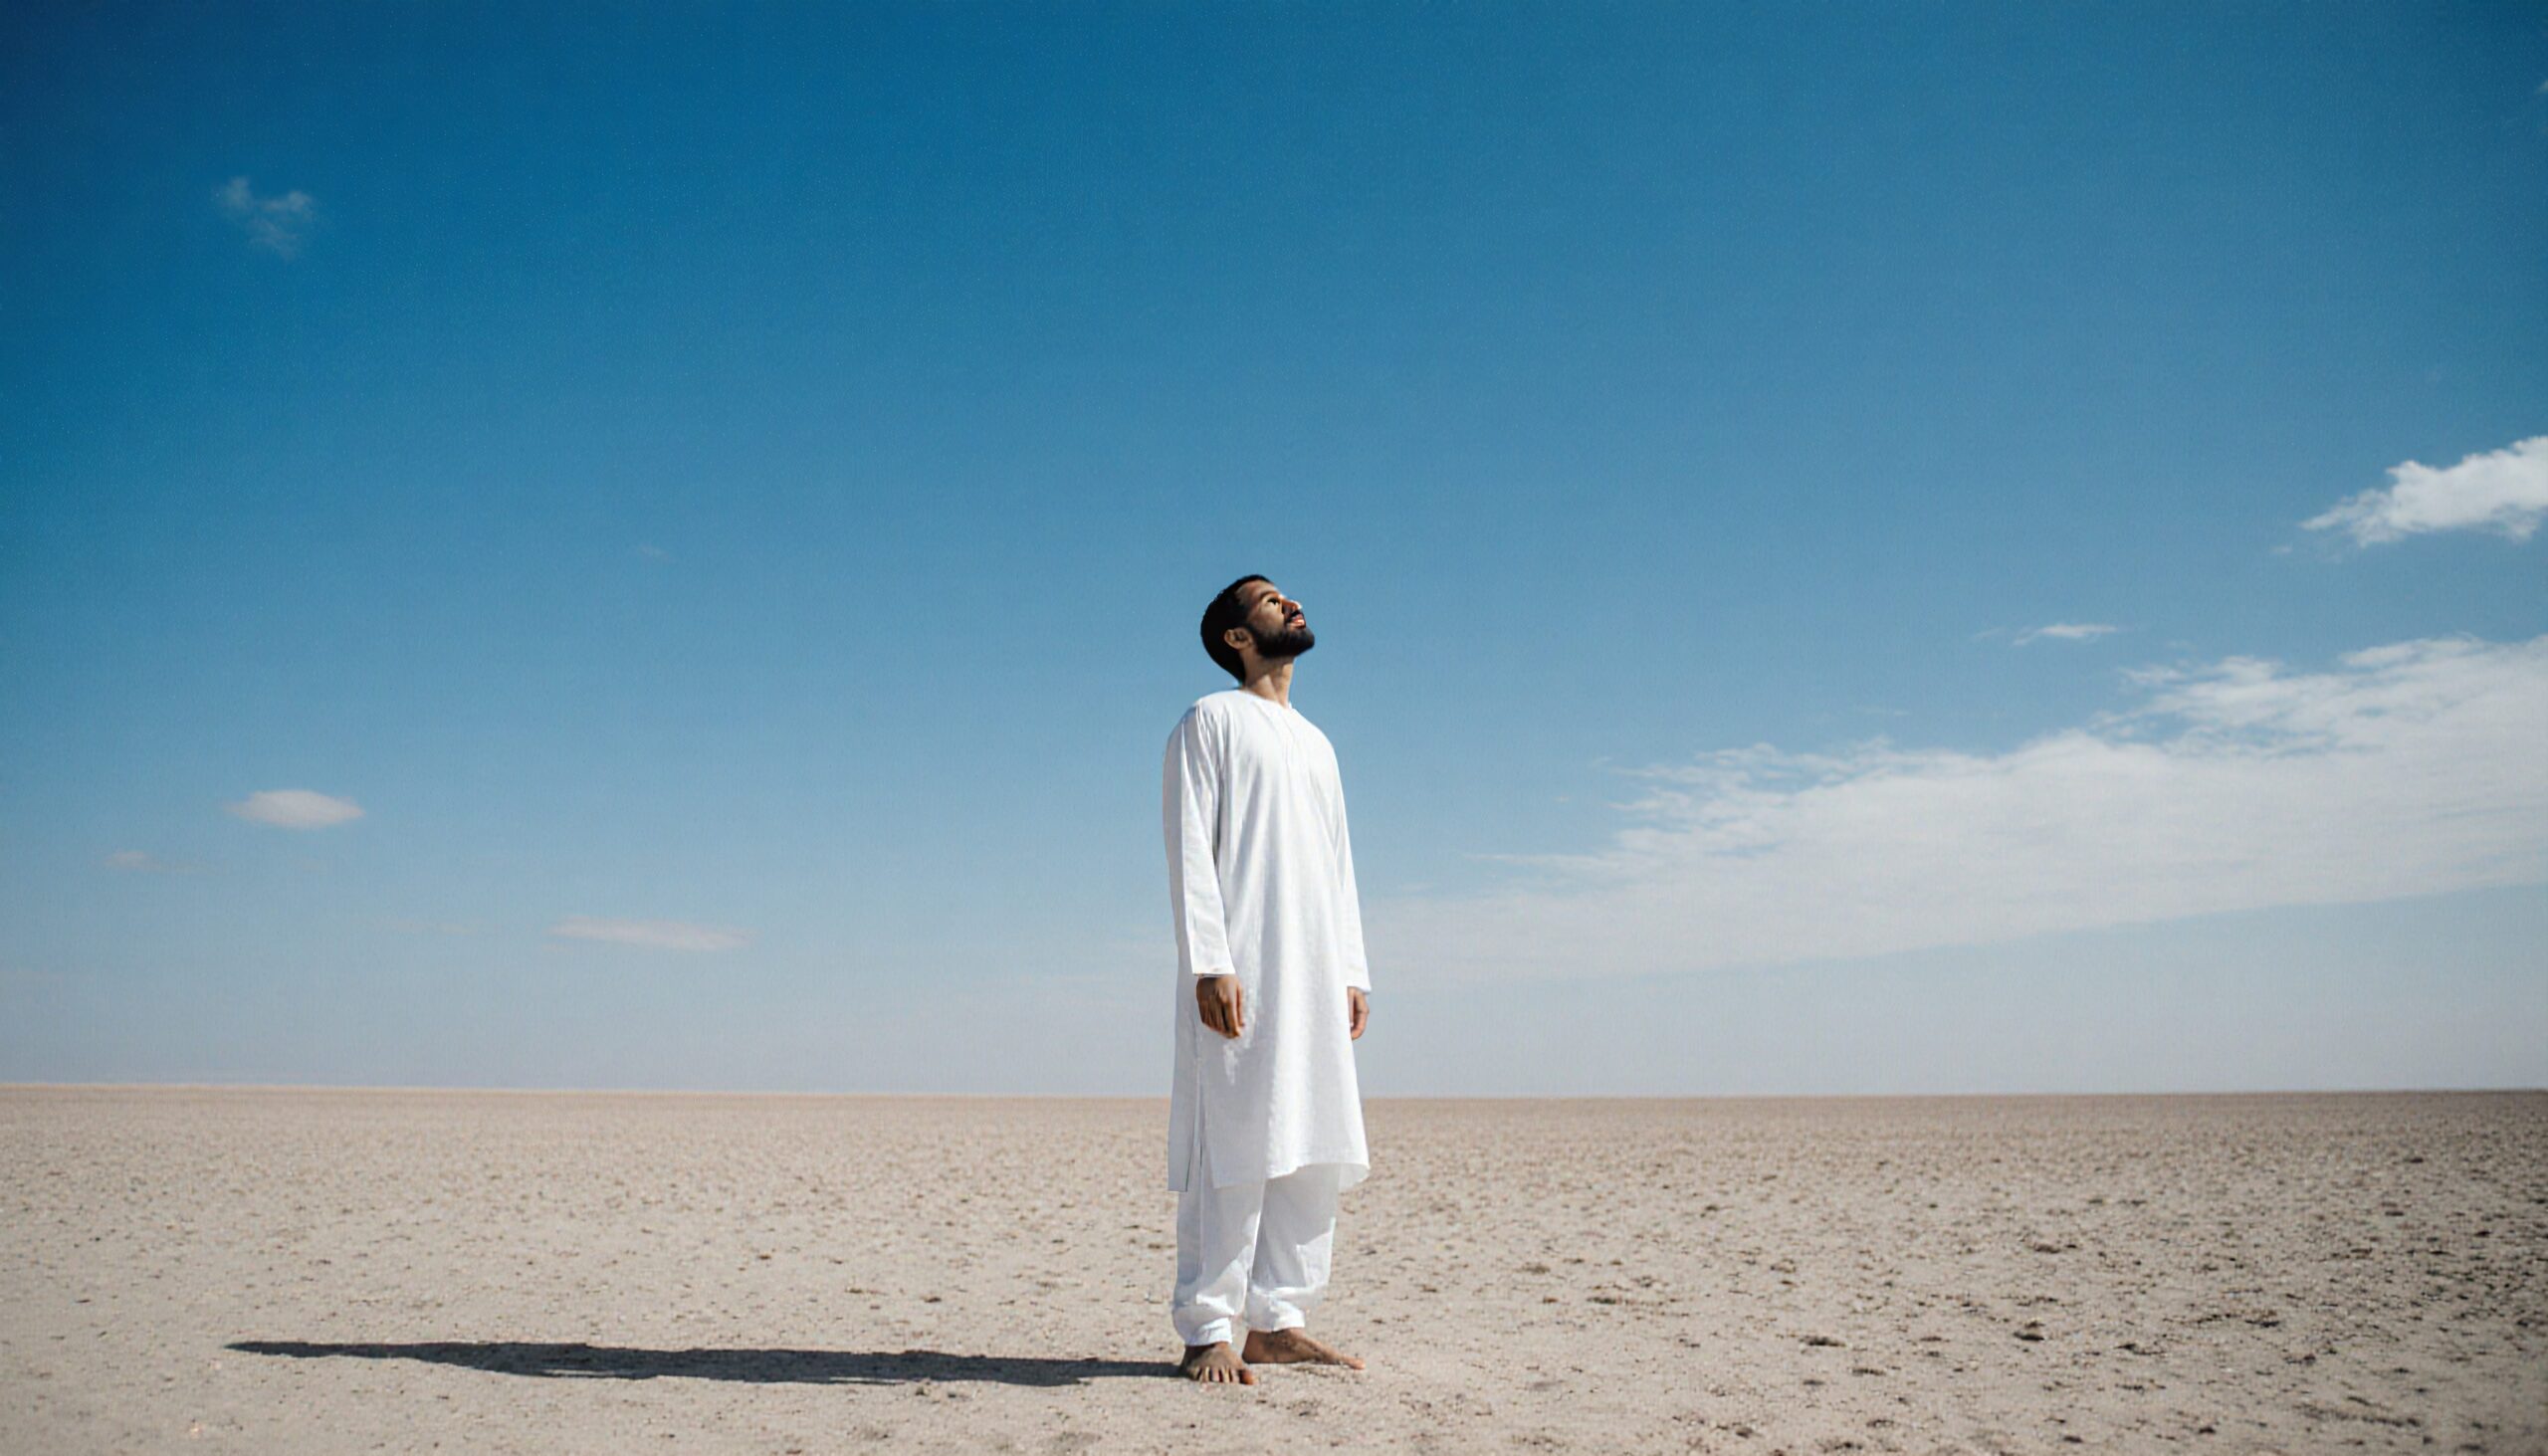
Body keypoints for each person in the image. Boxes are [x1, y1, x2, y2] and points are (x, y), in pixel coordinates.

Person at [1161, 574, 1374, 1385]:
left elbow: (1340, 865)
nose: (1289, 602)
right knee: (1238, 1136)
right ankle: (1209, 1327)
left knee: (1311, 1140)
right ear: (1237, 638)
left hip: (1315, 969)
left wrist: (1350, 969)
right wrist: (1210, 960)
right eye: (1268, 599)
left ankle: (1278, 1318)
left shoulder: (1318, 743)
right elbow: (1189, 849)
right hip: (1242, 964)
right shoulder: (1208, 722)